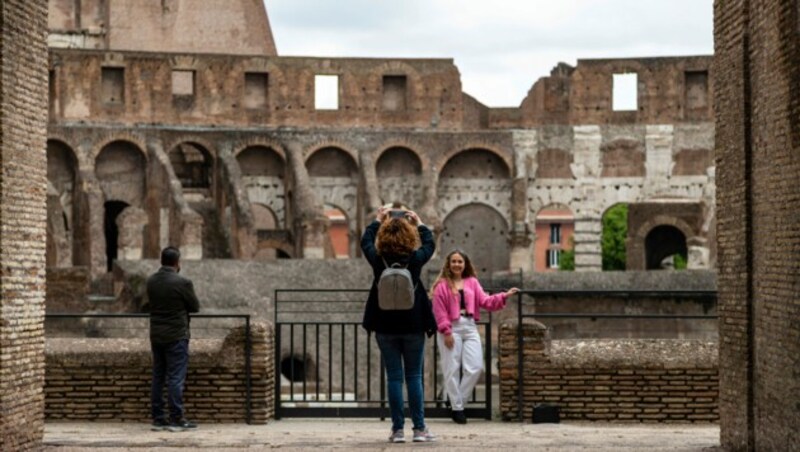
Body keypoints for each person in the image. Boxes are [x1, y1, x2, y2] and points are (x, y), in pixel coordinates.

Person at [361, 206, 437, 443]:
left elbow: (365, 242)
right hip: (413, 324)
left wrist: (377, 220)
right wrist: (420, 222)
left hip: (384, 325)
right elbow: (429, 245)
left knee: (394, 377)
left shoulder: (378, 260)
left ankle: (397, 431)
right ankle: (420, 429)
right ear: (408, 237)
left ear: (383, 237)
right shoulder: (414, 260)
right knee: (414, 376)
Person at [431, 249, 519, 424]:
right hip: (451, 328)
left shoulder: (472, 282)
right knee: (452, 368)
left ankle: (457, 402)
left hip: (470, 327)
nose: (457, 264)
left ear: (465, 264)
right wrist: (446, 332)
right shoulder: (441, 286)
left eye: (460, 261)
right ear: (449, 264)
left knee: (475, 367)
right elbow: (439, 312)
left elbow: (485, 301)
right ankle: (457, 409)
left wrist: (504, 295)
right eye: (454, 261)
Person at [146, 246, 200, 432]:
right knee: (176, 378)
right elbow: (195, 307)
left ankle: (158, 417)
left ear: (162, 260)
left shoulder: (151, 281)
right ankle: (177, 418)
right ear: (177, 262)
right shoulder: (183, 282)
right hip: (177, 335)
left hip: (156, 335)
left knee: (158, 377)